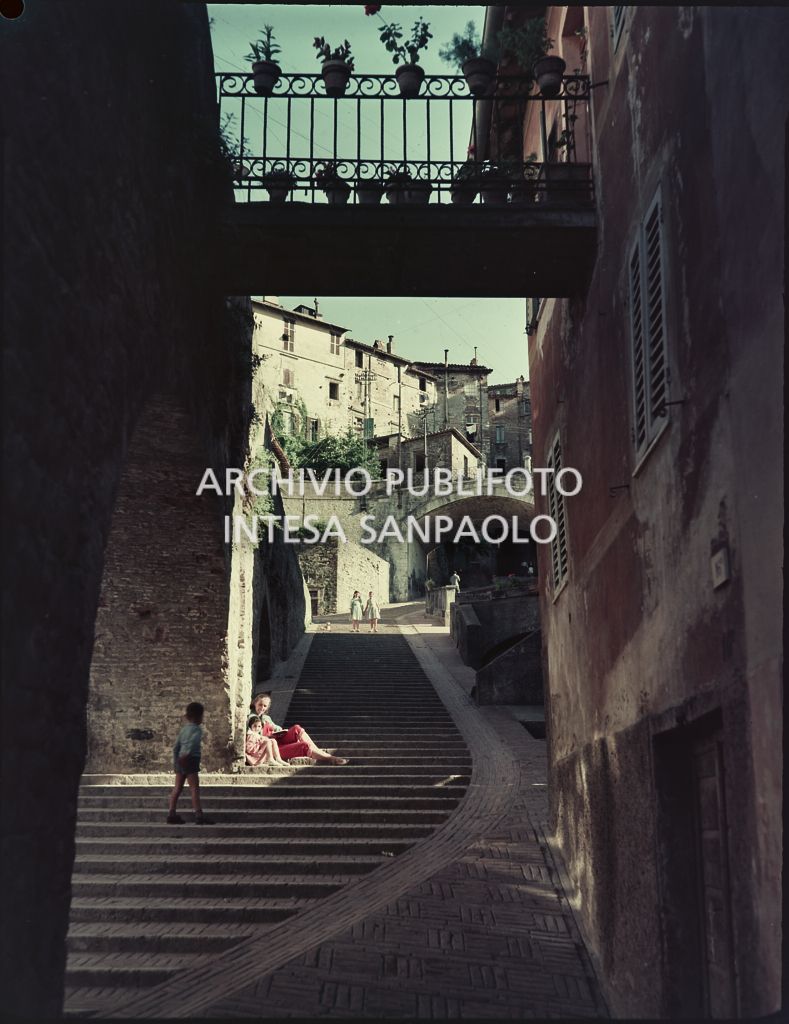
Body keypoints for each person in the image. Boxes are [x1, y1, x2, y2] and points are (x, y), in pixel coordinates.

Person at [250, 691, 348, 765]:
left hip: (278, 739)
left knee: (296, 728)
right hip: (271, 747)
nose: (262, 708)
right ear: (255, 703)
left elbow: (277, 728)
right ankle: (331, 758)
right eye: (260, 705)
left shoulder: (267, 718)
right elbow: (253, 738)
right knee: (304, 745)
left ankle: (318, 751)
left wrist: (277, 730)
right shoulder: (251, 718)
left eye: (265, 706)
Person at [167, 701, 214, 824]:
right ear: (199, 716)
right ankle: (199, 816)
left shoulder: (183, 730)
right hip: (190, 760)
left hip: (180, 761)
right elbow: (192, 744)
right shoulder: (197, 730)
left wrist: (177, 760)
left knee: (177, 788)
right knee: (194, 789)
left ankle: (171, 813)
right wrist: (186, 755)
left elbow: (176, 747)